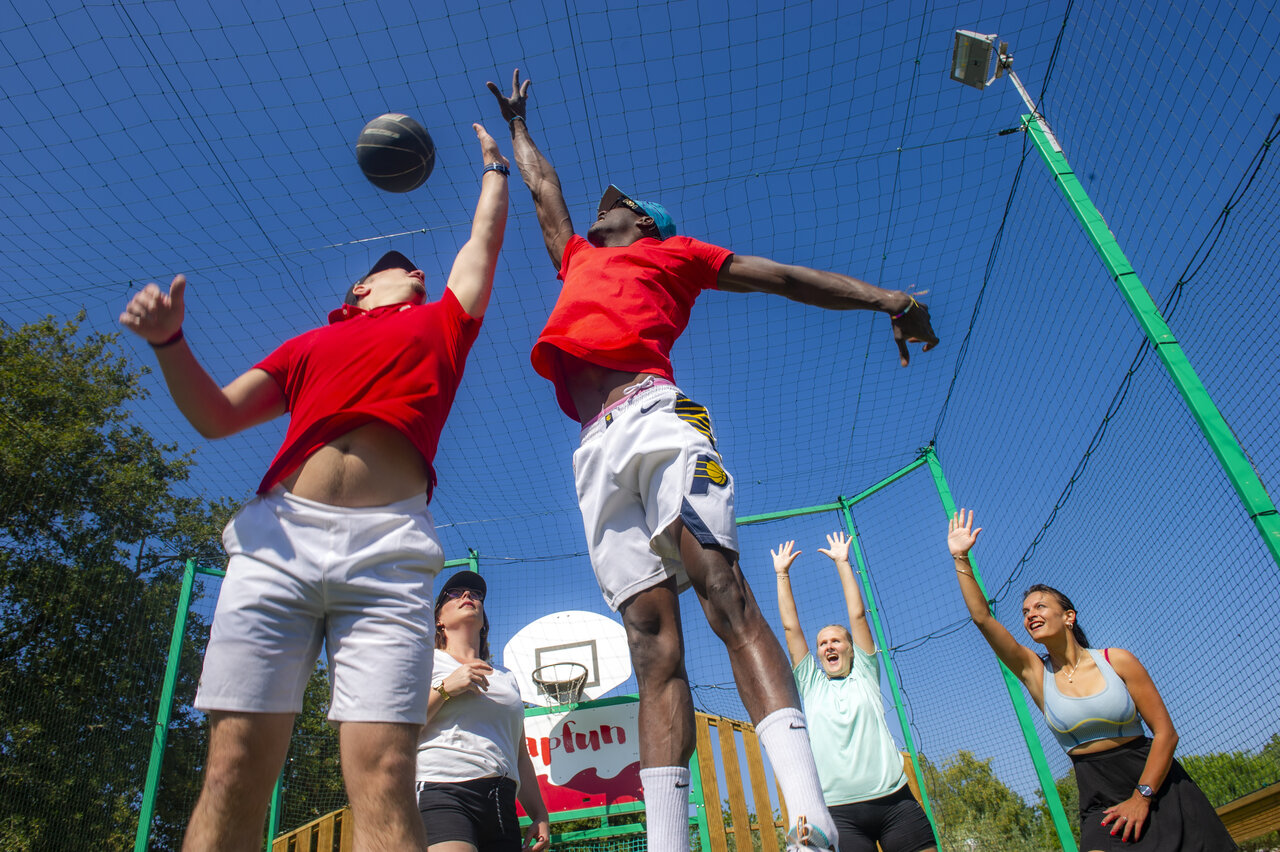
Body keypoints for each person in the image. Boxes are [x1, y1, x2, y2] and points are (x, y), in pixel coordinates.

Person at [487, 68, 940, 852]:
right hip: (593, 448)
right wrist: (519, 126)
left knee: (723, 590)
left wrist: (890, 300)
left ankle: (809, 822)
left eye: (618, 204)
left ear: (647, 227)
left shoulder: (681, 256)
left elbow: (791, 279)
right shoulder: (577, 263)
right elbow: (543, 194)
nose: (604, 205)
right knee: (649, 642)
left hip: (661, 418)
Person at [118, 124, 510, 851]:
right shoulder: (310, 344)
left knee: (388, 771)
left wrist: (496, 170)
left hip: (389, 553)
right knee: (233, 767)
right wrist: (171, 343)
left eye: (419, 270)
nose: (415, 270)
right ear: (358, 291)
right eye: (398, 268)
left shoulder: (441, 326)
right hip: (278, 544)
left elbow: (479, 249)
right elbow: (215, 415)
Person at [945, 509, 1237, 852]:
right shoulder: (1035, 673)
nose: (1030, 615)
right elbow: (982, 618)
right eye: (1025, 612)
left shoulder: (1118, 661)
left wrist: (1142, 796)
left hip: (1158, 787)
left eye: (1039, 607)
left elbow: (1166, 734)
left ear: (1068, 616)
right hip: (1100, 800)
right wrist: (961, 557)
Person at [772, 533, 938, 852]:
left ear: (851, 648)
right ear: (818, 654)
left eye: (836, 640)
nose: (828, 646)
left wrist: (843, 563)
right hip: (839, 814)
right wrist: (782, 574)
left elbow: (858, 615)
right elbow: (792, 628)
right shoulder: (810, 682)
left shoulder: (865, 673)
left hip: (895, 804)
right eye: (822, 643)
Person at [417, 571, 552, 852]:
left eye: (475, 594)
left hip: (501, 802)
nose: (468, 596)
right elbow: (400, 729)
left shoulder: (506, 677)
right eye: (455, 594)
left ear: (483, 620)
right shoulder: (424, 662)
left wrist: (539, 814)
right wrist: (445, 688)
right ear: (439, 620)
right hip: (442, 790)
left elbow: (519, 753)